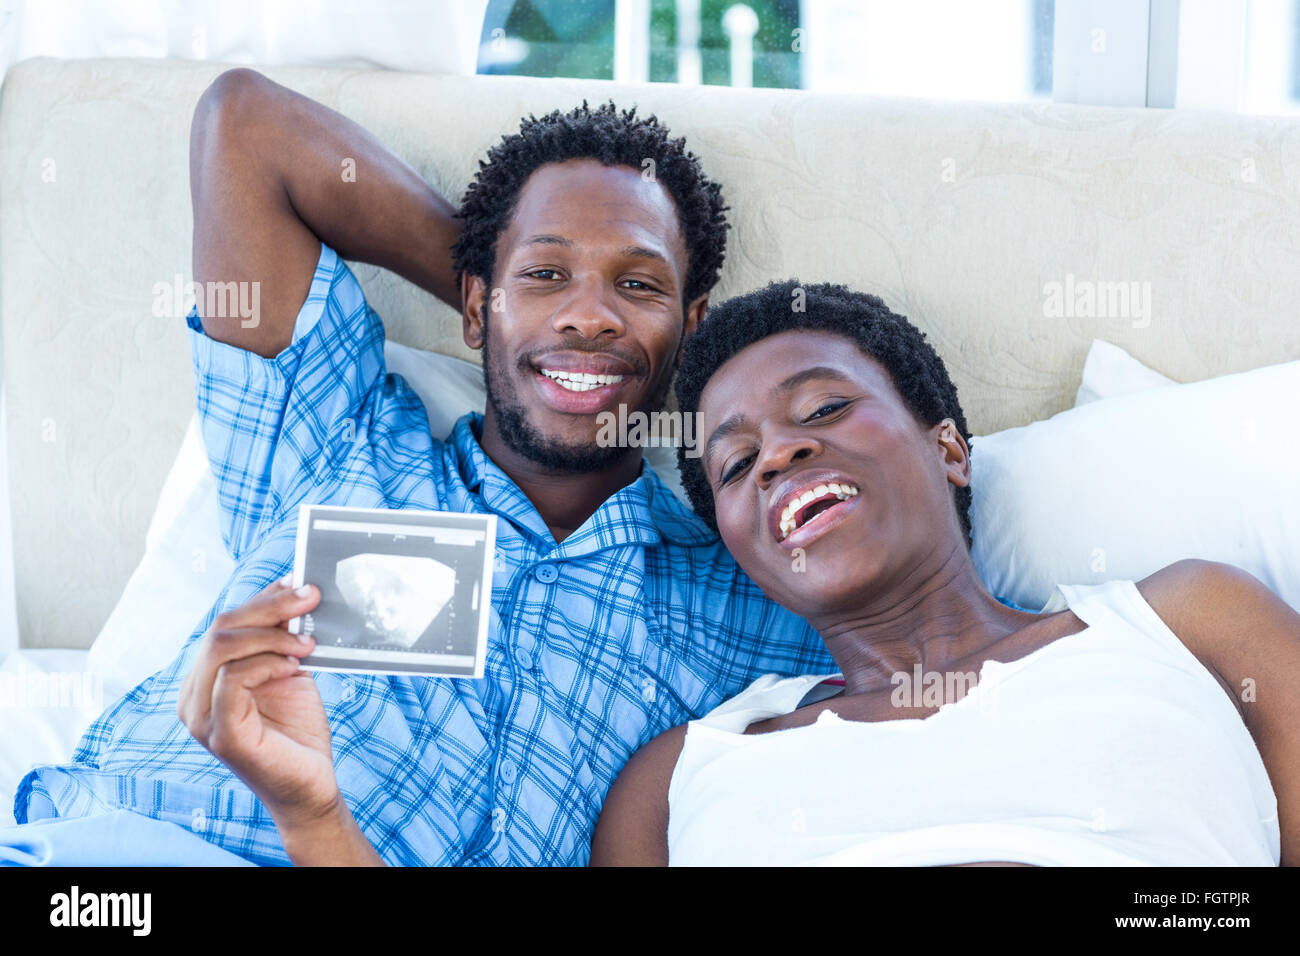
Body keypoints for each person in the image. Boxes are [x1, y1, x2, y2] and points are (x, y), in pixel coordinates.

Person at [8, 70, 837, 865]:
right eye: (548, 274)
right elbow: (246, 126)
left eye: (638, 284)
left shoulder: (749, 595)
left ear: (691, 324)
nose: (591, 313)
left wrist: (535, 299)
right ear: (474, 304)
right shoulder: (340, 438)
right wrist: (510, 303)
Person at [589, 280, 1299, 866]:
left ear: (951, 451)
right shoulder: (674, 782)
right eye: (738, 465)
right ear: (743, 550)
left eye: (825, 408)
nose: (777, 453)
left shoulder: (1192, 621)